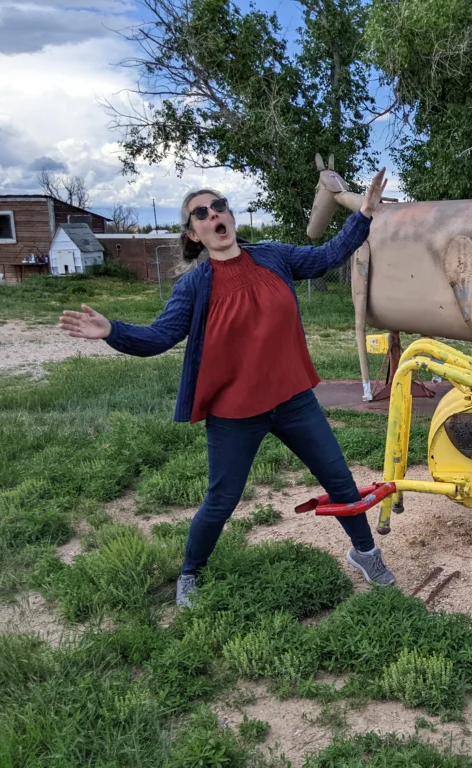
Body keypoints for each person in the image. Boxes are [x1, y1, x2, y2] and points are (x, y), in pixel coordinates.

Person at [58, 169, 393, 607]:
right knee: (221, 500)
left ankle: (365, 552)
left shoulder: (272, 256)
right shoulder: (194, 286)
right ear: (194, 233)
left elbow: (328, 255)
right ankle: (190, 573)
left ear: (230, 217)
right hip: (235, 413)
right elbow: (159, 337)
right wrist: (112, 331)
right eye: (202, 213)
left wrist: (363, 213)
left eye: (219, 206)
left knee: (340, 480)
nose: (214, 214)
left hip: (293, 399)